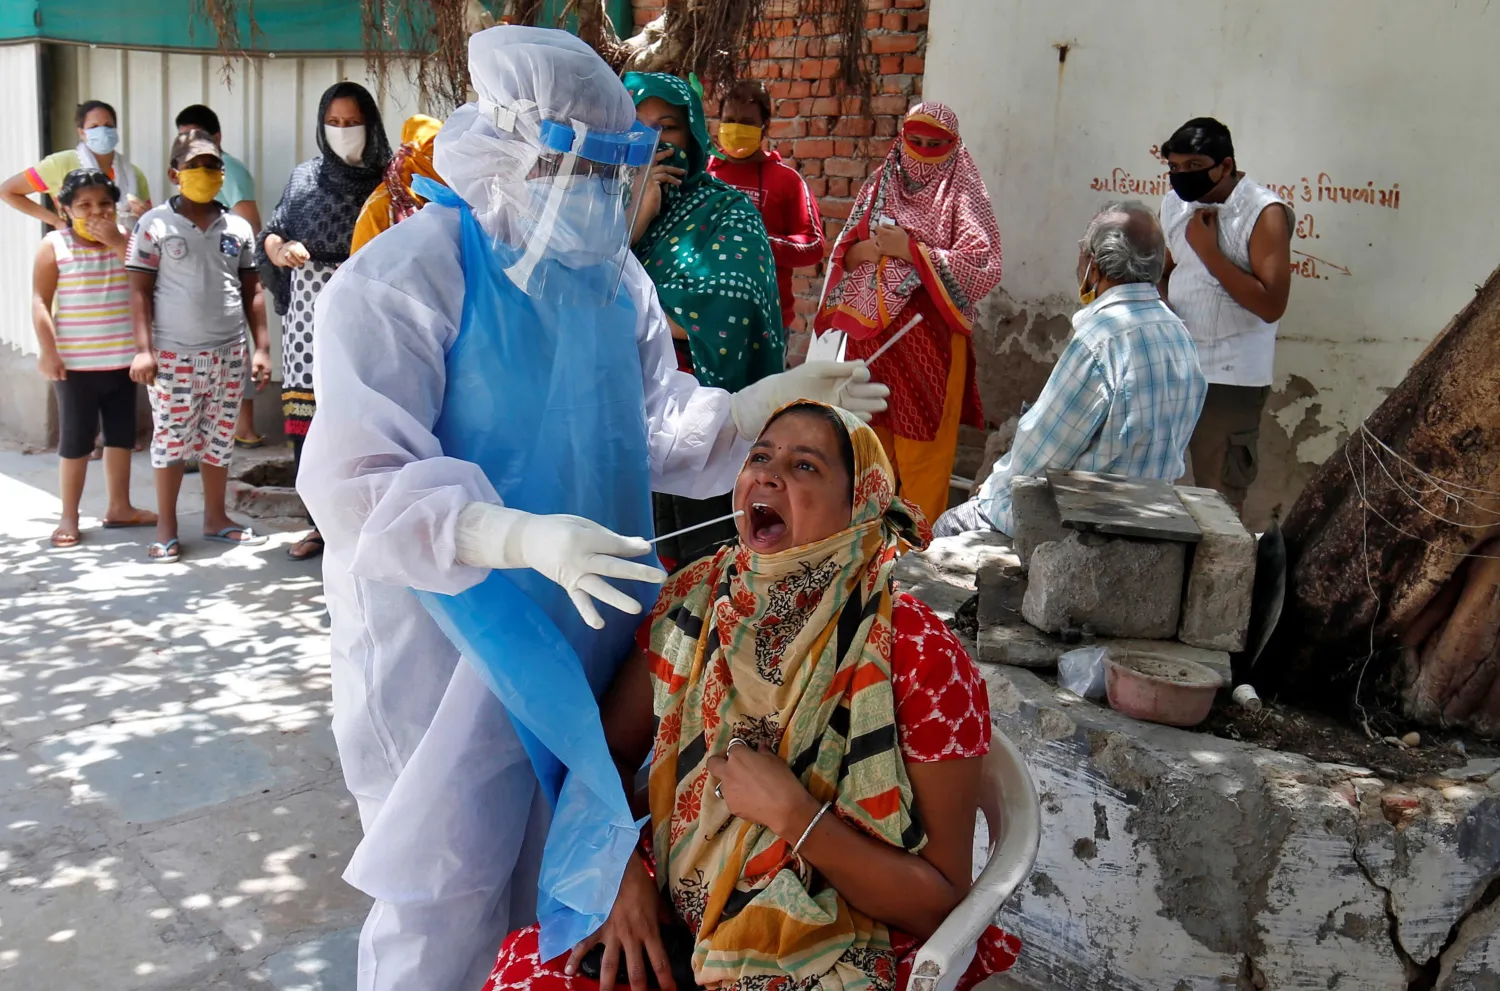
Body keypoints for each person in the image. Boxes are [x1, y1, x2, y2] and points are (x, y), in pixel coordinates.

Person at [295, 26, 887, 991]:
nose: (603, 200)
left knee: (567, 867)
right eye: (580, 172)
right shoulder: (409, 277)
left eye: (618, 176)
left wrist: (755, 404)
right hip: (450, 639)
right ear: (511, 154)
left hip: (590, 624)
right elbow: (356, 477)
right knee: (444, 885)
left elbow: (659, 424)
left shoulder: (615, 285)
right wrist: (512, 534)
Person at [481, 401, 1021, 991]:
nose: (766, 473)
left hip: (838, 940)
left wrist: (795, 816)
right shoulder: (697, 600)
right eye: (759, 456)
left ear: (858, 506)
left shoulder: (916, 652)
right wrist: (615, 873)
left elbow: (941, 903)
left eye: (805, 466)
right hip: (673, 912)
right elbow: (601, 756)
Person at [936, 203, 1207, 538]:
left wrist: (991, 492)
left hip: (1087, 523)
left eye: (1082, 254)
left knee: (948, 526)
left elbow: (1039, 453)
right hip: (1147, 515)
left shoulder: (1101, 340)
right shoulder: (1178, 333)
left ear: (1096, 266)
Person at [816, 103, 1003, 529]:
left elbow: (983, 264)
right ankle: (862, 549)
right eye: (914, 141)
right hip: (872, 341)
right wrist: (875, 251)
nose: (921, 152)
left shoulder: (963, 194)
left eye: (934, 145)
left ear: (953, 146)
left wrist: (911, 251)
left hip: (929, 345)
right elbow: (847, 249)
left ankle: (916, 558)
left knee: (923, 454)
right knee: (867, 445)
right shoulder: (879, 182)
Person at [627, 72, 784, 567]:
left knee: (707, 558)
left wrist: (635, 315)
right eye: (637, 126)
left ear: (691, 133)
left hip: (706, 412)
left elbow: (730, 307)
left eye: (667, 126)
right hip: (627, 411)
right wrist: (636, 219)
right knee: (638, 555)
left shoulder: (727, 210)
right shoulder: (605, 213)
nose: (652, 141)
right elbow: (579, 295)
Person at [257, 81, 392, 561]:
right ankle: (319, 525)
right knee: (310, 423)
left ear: (370, 124)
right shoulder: (304, 179)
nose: (342, 132)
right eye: (333, 123)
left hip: (369, 314)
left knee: (364, 420)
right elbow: (271, 234)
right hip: (309, 314)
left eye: (351, 123)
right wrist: (281, 248)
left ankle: (367, 523)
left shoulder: (391, 179)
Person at [126, 130, 272, 563]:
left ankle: (215, 518)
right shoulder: (154, 224)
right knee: (171, 440)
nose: (204, 173)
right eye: (194, 166)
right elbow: (138, 291)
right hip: (174, 355)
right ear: (175, 174)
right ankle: (167, 528)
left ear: (222, 174)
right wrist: (143, 349)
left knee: (219, 438)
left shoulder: (239, 228)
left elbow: (253, 291)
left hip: (229, 353)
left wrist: (261, 349)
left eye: (212, 166)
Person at [1158, 117, 1293, 515]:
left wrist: (1209, 250)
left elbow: (1271, 305)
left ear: (1226, 165)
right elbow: (1167, 270)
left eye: (1195, 167)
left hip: (1231, 377)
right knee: (1157, 486)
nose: (1183, 176)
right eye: (1176, 168)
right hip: (1180, 365)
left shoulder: (1262, 212)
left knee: (1217, 501)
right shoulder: (1175, 204)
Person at [32, 168, 156, 547]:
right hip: (75, 366)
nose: (96, 213)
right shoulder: (55, 244)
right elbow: (40, 300)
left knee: (120, 436)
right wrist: (48, 351)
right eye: (84, 206)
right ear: (65, 208)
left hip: (122, 361)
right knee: (76, 441)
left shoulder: (129, 242)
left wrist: (119, 243)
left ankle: (120, 506)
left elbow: (148, 278)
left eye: (104, 205)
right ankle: (68, 515)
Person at [176, 103, 266, 449]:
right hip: (193, 281)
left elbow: (250, 227)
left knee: (233, 350)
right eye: (183, 136)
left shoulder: (229, 172)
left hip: (223, 279)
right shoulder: (188, 171)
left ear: (217, 137)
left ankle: (243, 427)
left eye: (197, 136)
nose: (190, 142)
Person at [706, 79, 825, 333]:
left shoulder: (787, 181)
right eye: (729, 120)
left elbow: (814, 245)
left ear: (765, 126)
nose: (736, 129)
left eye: (747, 123)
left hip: (767, 322)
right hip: (706, 317)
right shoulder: (705, 175)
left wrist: (757, 244)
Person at [1, 100, 152, 229]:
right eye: (94, 127)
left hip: (122, 254)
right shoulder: (59, 164)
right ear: (81, 132)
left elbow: (150, 219)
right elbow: (7, 191)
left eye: (108, 125)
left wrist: (146, 215)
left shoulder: (134, 174)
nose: (103, 131)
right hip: (75, 254)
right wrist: (55, 221)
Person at [350, 114, 444, 253]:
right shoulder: (381, 206)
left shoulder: (449, 202)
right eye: (432, 156)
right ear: (416, 159)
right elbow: (359, 268)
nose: (441, 167)